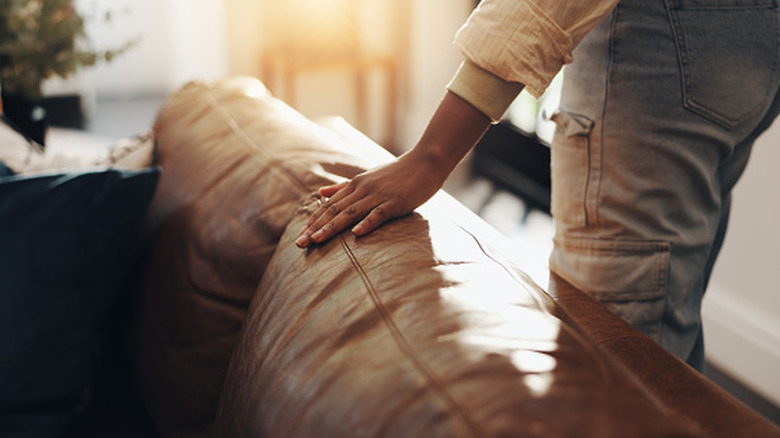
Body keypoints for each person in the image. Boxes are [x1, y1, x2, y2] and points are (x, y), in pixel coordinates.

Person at [295, 0, 780, 371]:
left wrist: (429, 157)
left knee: (615, 356)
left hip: (662, 41)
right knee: (671, 299)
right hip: (749, 38)